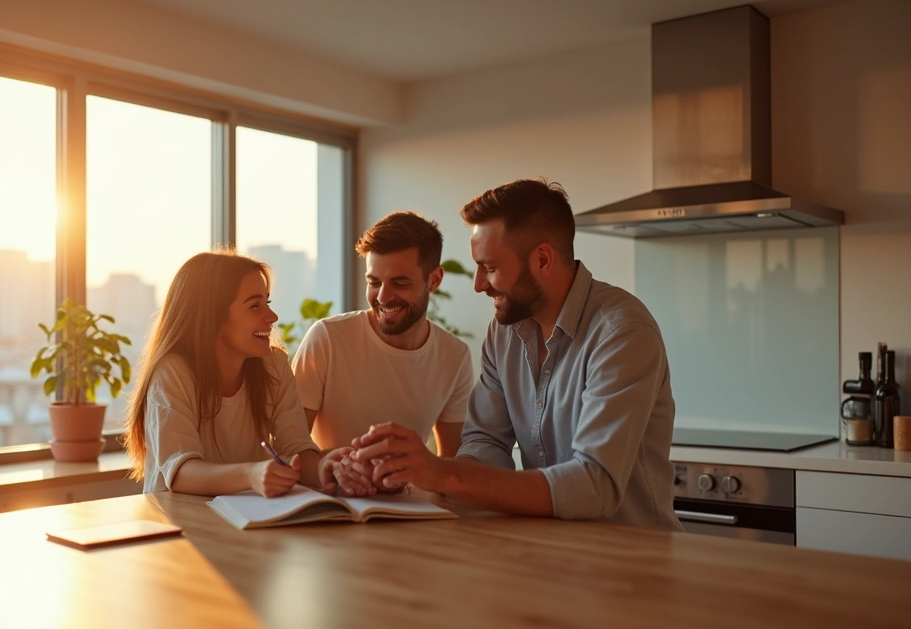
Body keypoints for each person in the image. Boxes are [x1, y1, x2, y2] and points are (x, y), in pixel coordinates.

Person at [352, 179, 681, 530]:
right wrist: (416, 476)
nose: (479, 284)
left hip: (636, 560)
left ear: (542, 259)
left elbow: (594, 487)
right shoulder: (504, 330)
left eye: (490, 268)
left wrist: (443, 472)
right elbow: (486, 441)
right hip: (553, 552)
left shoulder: (622, 332)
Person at [124, 250, 350, 497]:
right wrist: (251, 475)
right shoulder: (172, 372)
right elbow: (180, 473)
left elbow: (296, 447)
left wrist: (324, 467)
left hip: (249, 521)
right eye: (255, 306)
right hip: (183, 522)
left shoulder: (273, 364)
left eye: (268, 303)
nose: (272, 317)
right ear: (215, 318)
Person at [292, 212, 474, 495]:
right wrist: (329, 463)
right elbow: (289, 447)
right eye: (374, 281)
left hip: (407, 510)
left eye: (400, 283)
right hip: (330, 507)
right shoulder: (327, 338)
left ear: (434, 280)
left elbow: (451, 465)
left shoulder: (455, 356)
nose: (382, 297)